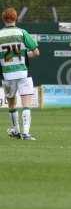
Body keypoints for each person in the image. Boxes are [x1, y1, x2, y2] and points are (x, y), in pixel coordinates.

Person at [0, 8, 40, 140]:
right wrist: (24, 55)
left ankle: (16, 131)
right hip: (23, 72)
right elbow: (36, 52)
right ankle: (26, 133)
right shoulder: (22, 32)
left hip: (7, 74)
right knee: (26, 104)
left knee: (11, 105)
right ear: (15, 18)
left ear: (3, 19)